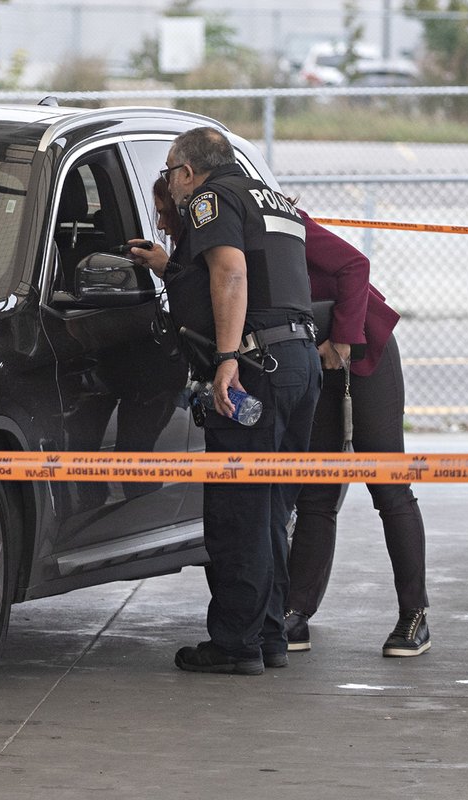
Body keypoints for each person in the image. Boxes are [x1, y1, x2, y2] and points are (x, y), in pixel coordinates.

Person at [132, 127, 320, 675]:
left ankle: (236, 643)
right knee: (270, 508)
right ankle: (269, 637)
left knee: (238, 509)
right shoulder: (271, 198)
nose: (170, 184)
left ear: (188, 172)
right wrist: (169, 268)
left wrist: (228, 358)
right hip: (298, 363)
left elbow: (231, 271)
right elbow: (264, 276)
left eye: (170, 172)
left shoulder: (210, 199)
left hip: (255, 368)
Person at [285, 210, 430, 657]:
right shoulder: (217, 232)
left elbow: (354, 264)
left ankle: (414, 616)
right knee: (315, 492)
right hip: (314, 357)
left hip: (360, 351)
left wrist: (344, 339)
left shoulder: (277, 218)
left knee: (389, 488)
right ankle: (295, 614)